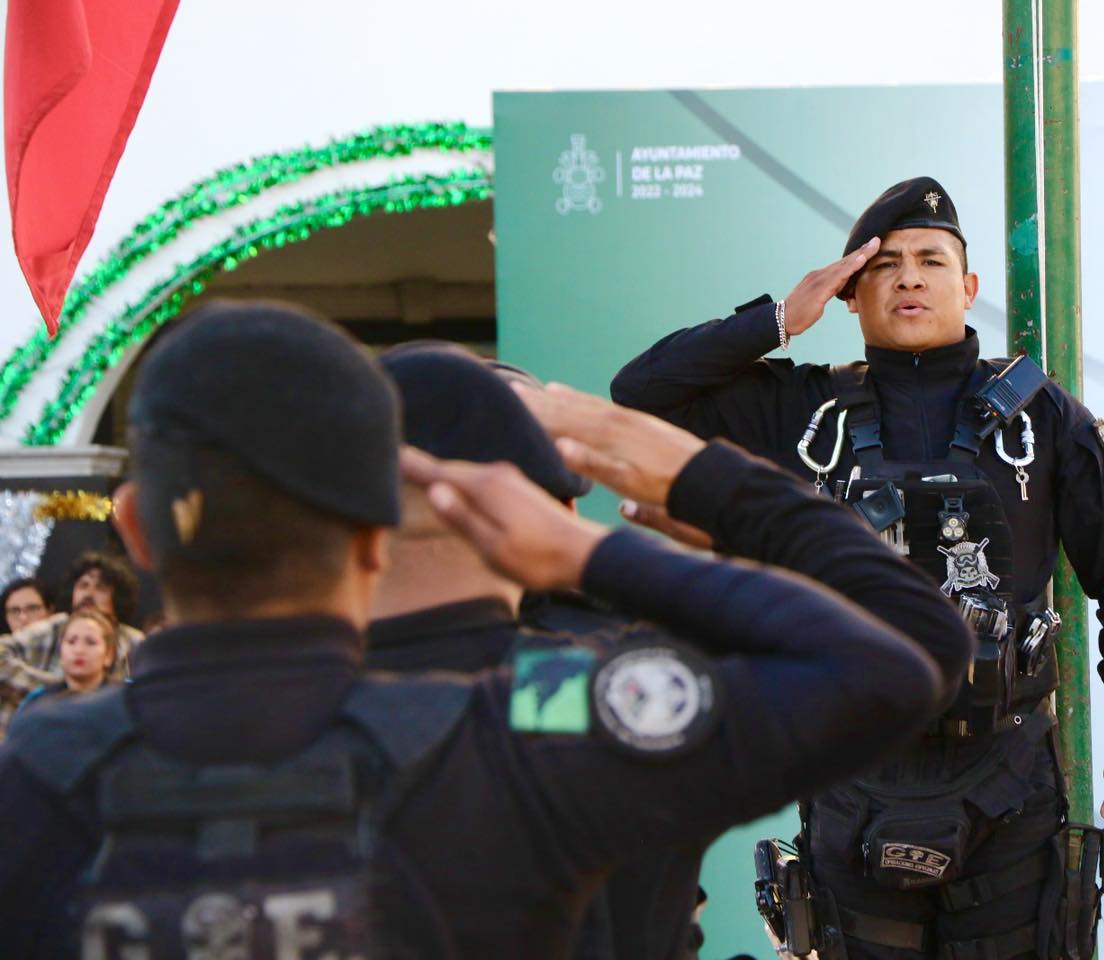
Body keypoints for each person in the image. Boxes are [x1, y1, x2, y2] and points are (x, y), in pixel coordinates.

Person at [0, 300, 966, 957]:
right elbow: (901, 656)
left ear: (133, 530)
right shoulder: (528, 717)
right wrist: (651, 512)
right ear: (371, 533)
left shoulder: (38, 766)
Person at [612, 176, 1104, 959]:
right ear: (848, 293)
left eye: (932, 261)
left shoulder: (1042, 418)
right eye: (885, 264)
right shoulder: (803, 412)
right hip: (853, 777)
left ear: (968, 287)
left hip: (1009, 780)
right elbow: (638, 397)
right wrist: (778, 319)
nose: (910, 276)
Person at [0, 551, 144, 736]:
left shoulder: (134, 642)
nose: (88, 594)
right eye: (83, 586)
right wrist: (55, 689)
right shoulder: (54, 627)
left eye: (100, 588)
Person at [14, 607, 119, 716]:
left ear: (108, 654)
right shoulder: (38, 702)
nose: (79, 650)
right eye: (71, 642)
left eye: (90, 642)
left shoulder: (126, 702)